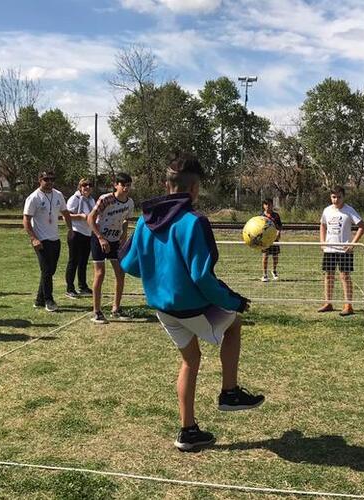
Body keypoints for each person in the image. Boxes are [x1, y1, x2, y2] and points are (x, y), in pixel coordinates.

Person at [119, 152, 264, 451]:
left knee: (191, 360)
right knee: (235, 323)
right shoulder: (194, 221)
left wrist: (158, 272)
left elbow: (129, 265)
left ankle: (188, 432)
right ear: (195, 189)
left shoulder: (146, 221)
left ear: (166, 183)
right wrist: (234, 301)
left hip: (162, 309)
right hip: (190, 307)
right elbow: (202, 278)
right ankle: (230, 392)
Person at [87, 172, 134, 323]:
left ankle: (116, 308)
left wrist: (123, 235)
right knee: (100, 273)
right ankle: (97, 312)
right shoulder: (106, 199)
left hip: (115, 241)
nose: (126, 188)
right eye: (123, 185)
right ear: (116, 185)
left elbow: (126, 219)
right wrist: (100, 238)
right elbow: (90, 218)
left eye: (128, 185)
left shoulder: (129, 202)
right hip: (99, 238)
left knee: (120, 273)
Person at [22, 170, 73, 312]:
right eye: (46, 179)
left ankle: (39, 299)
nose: (49, 182)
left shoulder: (58, 195)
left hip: (55, 238)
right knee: (46, 270)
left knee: (51, 270)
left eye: (52, 179)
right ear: (40, 180)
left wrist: (70, 229)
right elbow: (26, 220)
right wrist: (34, 238)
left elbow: (65, 212)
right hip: (41, 240)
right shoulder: (33, 198)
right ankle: (48, 300)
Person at [318, 186, 364, 316]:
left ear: (343, 197)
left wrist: (352, 244)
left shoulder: (349, 210)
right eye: (334, 197)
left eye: (339, 197)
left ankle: (348, 305)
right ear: (330, 197)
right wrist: (322, 242)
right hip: (329, 249)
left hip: (345, 250)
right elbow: (322, 225)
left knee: (344, 276)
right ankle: (328, 303)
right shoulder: (327, 210)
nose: (336, 200)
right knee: (329, 276)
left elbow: (362, 226)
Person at [64, 178, 96, 299]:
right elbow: (66, 216)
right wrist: (80, 216)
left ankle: (82, 286)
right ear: (80, 187)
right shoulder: (74, 199)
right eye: (84, 185)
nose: (87, 187)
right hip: (76, 232)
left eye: (90, 185)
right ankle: (70, 288)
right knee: (74, 261)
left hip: (87, 233)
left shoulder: (92, 200)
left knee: (83, 262)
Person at [260, 198, 283, 282]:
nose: (268, 206)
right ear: (263, 206)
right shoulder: (261, 216)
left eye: (269, 204)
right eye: (266, 204)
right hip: (265, 240)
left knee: (275, 257)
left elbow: (279, 226)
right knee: (265, 256)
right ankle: (264, 275)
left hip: (274, 240)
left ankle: (274, 271)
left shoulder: (276, 215)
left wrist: (278, 232)